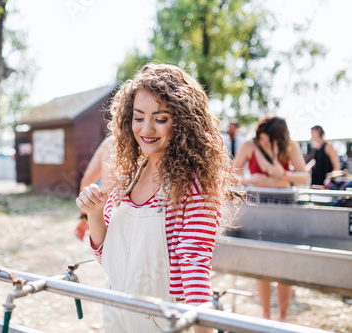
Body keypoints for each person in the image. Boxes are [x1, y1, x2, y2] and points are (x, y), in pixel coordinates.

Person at [76, 63, 234, 333]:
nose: (146, 129)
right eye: (139, 118)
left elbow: (194, 263)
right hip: (116, 312)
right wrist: (94, 212)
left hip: (164, 320)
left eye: (160, 119)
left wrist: (203, 329)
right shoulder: (129, 175)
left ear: (183, 122)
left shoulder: (194, 184)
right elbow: (110, 260)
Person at [233, 116, 310, 321]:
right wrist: (250, 180)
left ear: (280, 138)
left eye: (269, 140)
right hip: (259, 207)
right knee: (262, 261)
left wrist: (283, 175)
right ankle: (265, 314)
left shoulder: (289, 147)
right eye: (262, 138)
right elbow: (230, 175)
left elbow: (304, 177)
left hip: (285, 206)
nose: (264, 142)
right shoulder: (249, 146)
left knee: (286, 262)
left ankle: (282, 317)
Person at [74, 135, 115, 241]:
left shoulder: (109, 142)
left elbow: (87, 180)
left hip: (109, 215)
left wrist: (84, 218)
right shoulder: (148, 142)